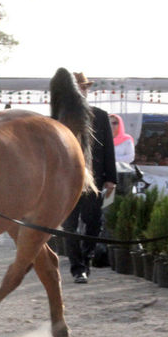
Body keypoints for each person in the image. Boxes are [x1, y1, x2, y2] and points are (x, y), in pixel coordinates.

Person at [63, 72, 117, 284]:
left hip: (94, 178)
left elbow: (108, 149)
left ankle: (86, 259)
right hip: (68, 180)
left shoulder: (101, 116)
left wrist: (111, 178)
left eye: (83, 87)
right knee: (70, 225)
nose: (81, 91)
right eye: (77, 87)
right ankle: (77, 268)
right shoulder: (60, 117)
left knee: (93, 222)